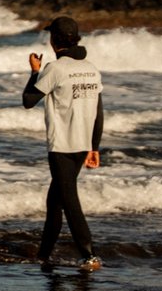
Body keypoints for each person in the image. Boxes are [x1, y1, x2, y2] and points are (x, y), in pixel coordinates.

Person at [22, 15, 104, 272]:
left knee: (69, 201)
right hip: (82, 145)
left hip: (62, 147)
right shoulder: (91, 68)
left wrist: (35, 71)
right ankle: (43, 255)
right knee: (55, 201)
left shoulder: (55, 69)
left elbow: (28, 100)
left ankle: (89, 255)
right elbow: (99, 111)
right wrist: (95, 147)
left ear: (55, 40)